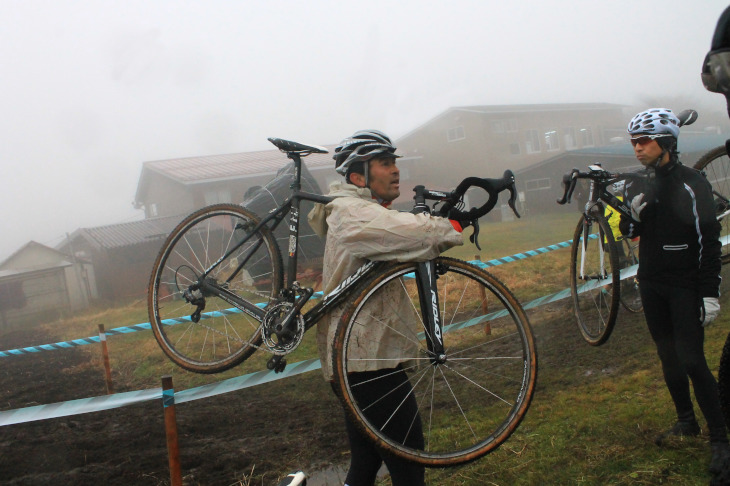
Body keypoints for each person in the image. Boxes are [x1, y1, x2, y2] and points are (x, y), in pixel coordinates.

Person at [307, 130, 466, 486]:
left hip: (360, 357)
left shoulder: (361, 209)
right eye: (384, 163)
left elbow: (397, 233)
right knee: (408, 469)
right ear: (358, 176)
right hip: (367, 363)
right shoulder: (353, 212)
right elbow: (400, 232)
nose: (395, 170)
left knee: (364, 466)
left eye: (395, 162)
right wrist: (448, 227)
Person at [618, 108, 729, 474]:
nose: (637, 148)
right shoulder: (640, 183)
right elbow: (630, 234)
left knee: (694, 362)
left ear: (666, 143)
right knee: (668, 358)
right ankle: (686, 420)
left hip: (685, 286)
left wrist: (710, 292)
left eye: (644, 141)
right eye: (634, 142)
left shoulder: (692, 182)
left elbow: (709, 241)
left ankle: (721, 441)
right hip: (651, 282)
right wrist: (630, 216)